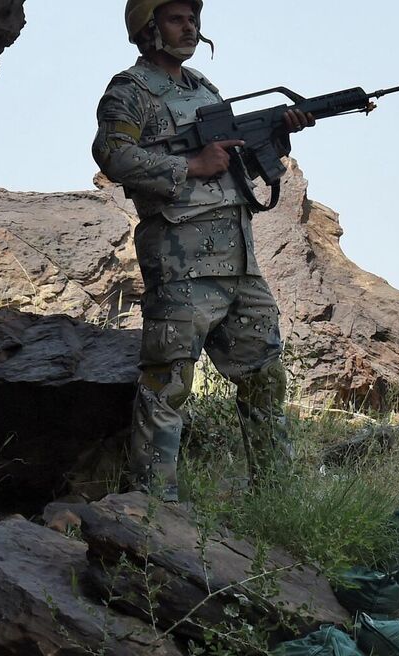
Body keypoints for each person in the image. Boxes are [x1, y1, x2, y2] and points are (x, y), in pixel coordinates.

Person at [93, 0, 312, 502]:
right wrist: (191, 164)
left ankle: (276, 498)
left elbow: (235, 168)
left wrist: (276, 138)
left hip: (239, 261)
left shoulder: (205, 91)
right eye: (176, 18)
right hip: (181, 259)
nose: (189, 26)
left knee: (265, 377)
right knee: (169, 382)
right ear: (149, 29)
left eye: (193, 19)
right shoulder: (131, 90)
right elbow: (112, 154)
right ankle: (153, 510)